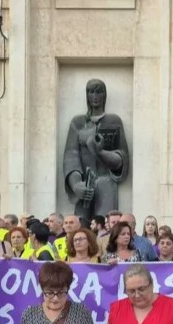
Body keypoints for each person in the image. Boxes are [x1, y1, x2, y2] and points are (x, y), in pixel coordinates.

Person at [63, 78, 130, 220]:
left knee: (106, 224)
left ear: (104, 95)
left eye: (99, 92)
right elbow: (71, 156)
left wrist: (100, 152)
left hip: (106, 181)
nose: (95, 96)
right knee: (81, 225)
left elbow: (122, 158)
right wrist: (76, 184)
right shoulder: (78, 122)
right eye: (91, 92)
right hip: (85, 182)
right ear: (87, 95)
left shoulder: (114, 121)